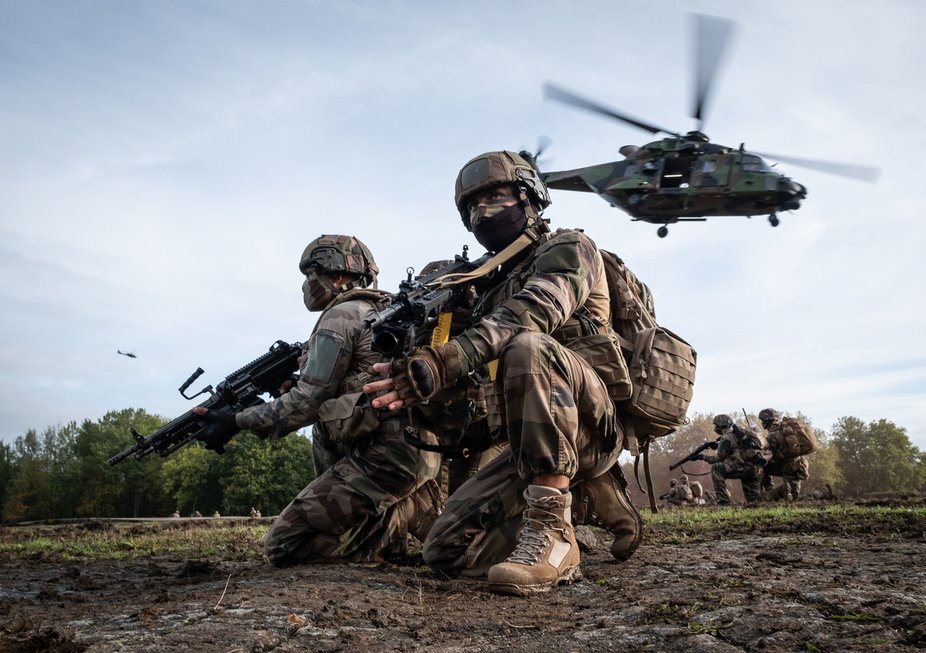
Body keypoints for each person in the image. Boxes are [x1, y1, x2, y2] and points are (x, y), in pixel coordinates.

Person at [366, 150, 644, 596]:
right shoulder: (486, 289)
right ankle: (578, 503)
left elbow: (534, 312)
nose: (482, 212)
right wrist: (427, 353)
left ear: (529, 197)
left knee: (527, 345)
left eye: (495, 196)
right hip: (528, 443)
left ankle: (553, 537)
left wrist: (448, 358)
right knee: (445, 552)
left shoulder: (571, 247)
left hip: (591, 424)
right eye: (472, 206)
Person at [194, 234, 443, 566]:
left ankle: (392, 524)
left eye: (310, 274)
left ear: (337, 276)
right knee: (325, 423)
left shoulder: (340, 316)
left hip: (385, 460)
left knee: (283, 546)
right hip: (412, 452)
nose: (305, 285)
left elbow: (306, 403)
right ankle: (395, 520)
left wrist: (235, 421)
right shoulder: (380, 310)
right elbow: (349, 387)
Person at [698, 414, 769, 505]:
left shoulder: (726, 438)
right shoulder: (741, 433)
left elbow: (718, 458)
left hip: (742, 468)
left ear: (719, 425)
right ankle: (776, 496)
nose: (715, 428)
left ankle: (724, 501)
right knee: (754, 501)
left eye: (716, 425)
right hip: (756, 470)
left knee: (717, 468)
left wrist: (702, 457)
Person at [758, 408, 811, 501]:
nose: (762, 423)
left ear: (766, 422)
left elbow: (767, 456)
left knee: (760, 465)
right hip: (800, 465)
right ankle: (777, 490)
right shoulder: (787, 430)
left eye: (762, 421)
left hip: (787, 468)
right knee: (794, 496)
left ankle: (769, 494)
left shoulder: (772, 436)